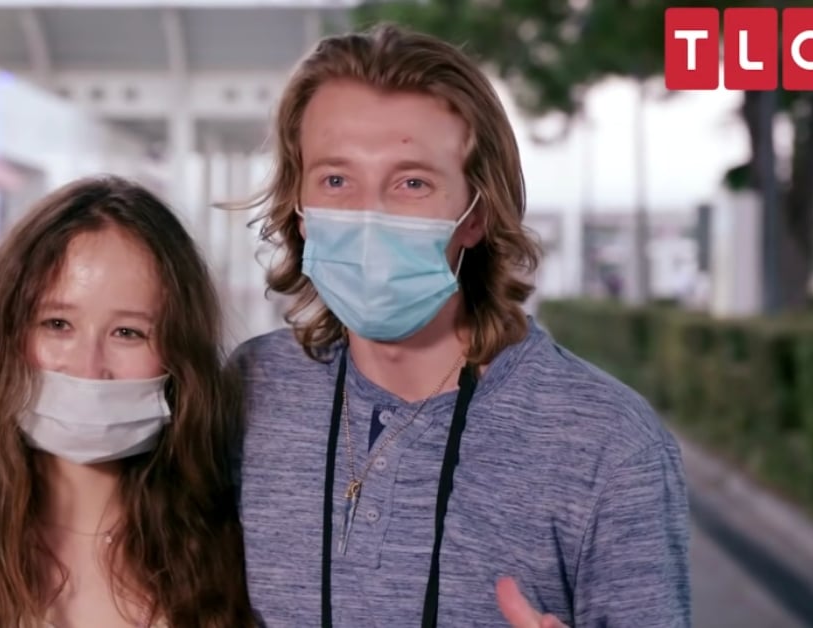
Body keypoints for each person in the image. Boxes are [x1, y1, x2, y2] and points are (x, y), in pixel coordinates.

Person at [229, 24, 690, 627]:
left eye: (412, 183)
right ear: (300, 208)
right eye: (336, 181)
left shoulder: (608, 446)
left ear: (475, 216)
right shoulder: (249, 389)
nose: (369, 217)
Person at [0, 176, 255, 627]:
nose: (88, 366)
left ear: (179, 357)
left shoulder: (228, 544)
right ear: (7, 336)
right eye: (57, 324)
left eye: (129, 332)